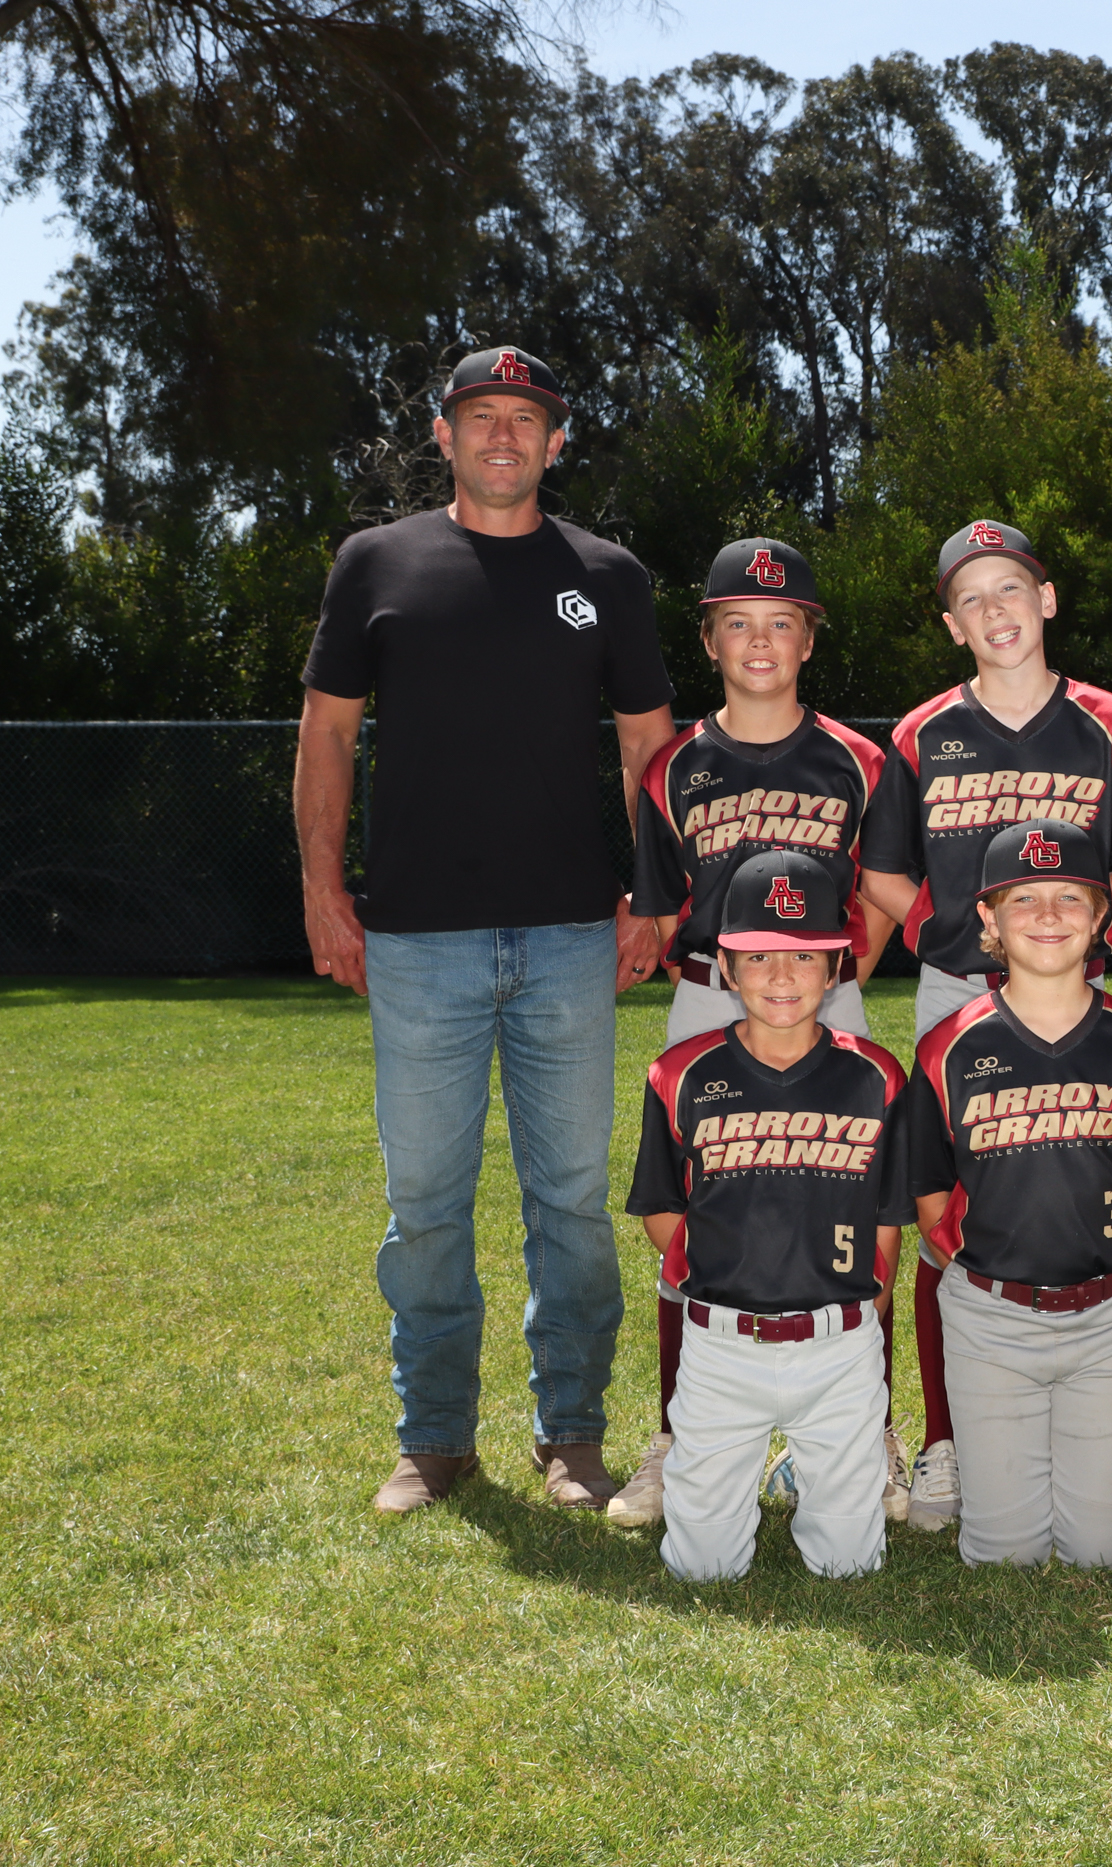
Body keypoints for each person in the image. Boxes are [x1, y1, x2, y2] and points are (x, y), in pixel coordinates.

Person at [297, 343, 678, 1514]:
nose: (503, 435)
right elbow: (325, 734)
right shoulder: (376, 562)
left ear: (556, 441)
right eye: (481, 415)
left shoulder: (606, 575)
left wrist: (654, 892)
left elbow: (649, 746)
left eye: (525, 417)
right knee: (425, 1204)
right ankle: (433, 1438)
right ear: (444, 432)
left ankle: (572, 1435)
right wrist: (322, 890)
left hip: (569, 936)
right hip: (418, 942)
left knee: (572, 1204)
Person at [857, 517, 1112, 1528]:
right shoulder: (921, 733)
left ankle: (1081, 1421)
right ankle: (948, 1441)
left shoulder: (1110, 723)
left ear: (1046, 600)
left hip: (1077, 993)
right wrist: (956, 934)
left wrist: (1058, 932)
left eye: (1010, 588)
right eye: (971, 598)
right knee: (948, 1219)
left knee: (1068, 1193)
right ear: (953, 624)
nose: (995, 610)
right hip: (958, 993)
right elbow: (883, 872)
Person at [608, 535, 904, 1530]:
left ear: (809, 641)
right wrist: (717, 986)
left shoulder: (859, 760)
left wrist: (837, 978)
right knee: (694, 1209)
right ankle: (679, 1433)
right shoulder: (673, 768)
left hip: (829, 994)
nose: (761, 640)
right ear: (709, 641)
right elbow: (661, 911)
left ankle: (872, 1428)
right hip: (707, 991)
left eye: (782, 622)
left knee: (856, 1206)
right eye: (738, 622)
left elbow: (882, 893)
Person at [623, 849, 909, 1581]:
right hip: (722, 1343)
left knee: (849, 1564)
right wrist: (728, 1264)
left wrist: (867, 1304)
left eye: (804, 956)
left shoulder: (875, 1075)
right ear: (725, 965)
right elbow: (661, 1207)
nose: (782, 977)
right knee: (702, 1568)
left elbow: (887, 1213)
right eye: (758, 956)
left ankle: (808, 1466)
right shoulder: (680, 1073)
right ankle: (739, 1464)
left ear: (836, 965)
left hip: (837, 1345)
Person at [903, 820, 1112, 1568]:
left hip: (1107, 1315)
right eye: (1023, 898)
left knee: (1103, 1552)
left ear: (1101, 917)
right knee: (1004, 1555)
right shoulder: (948, 1046)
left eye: (1070, 897)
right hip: (990, 1316)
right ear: (988, 919)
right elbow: (930, 1194)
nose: (1049, 915)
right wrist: (977, 1263)